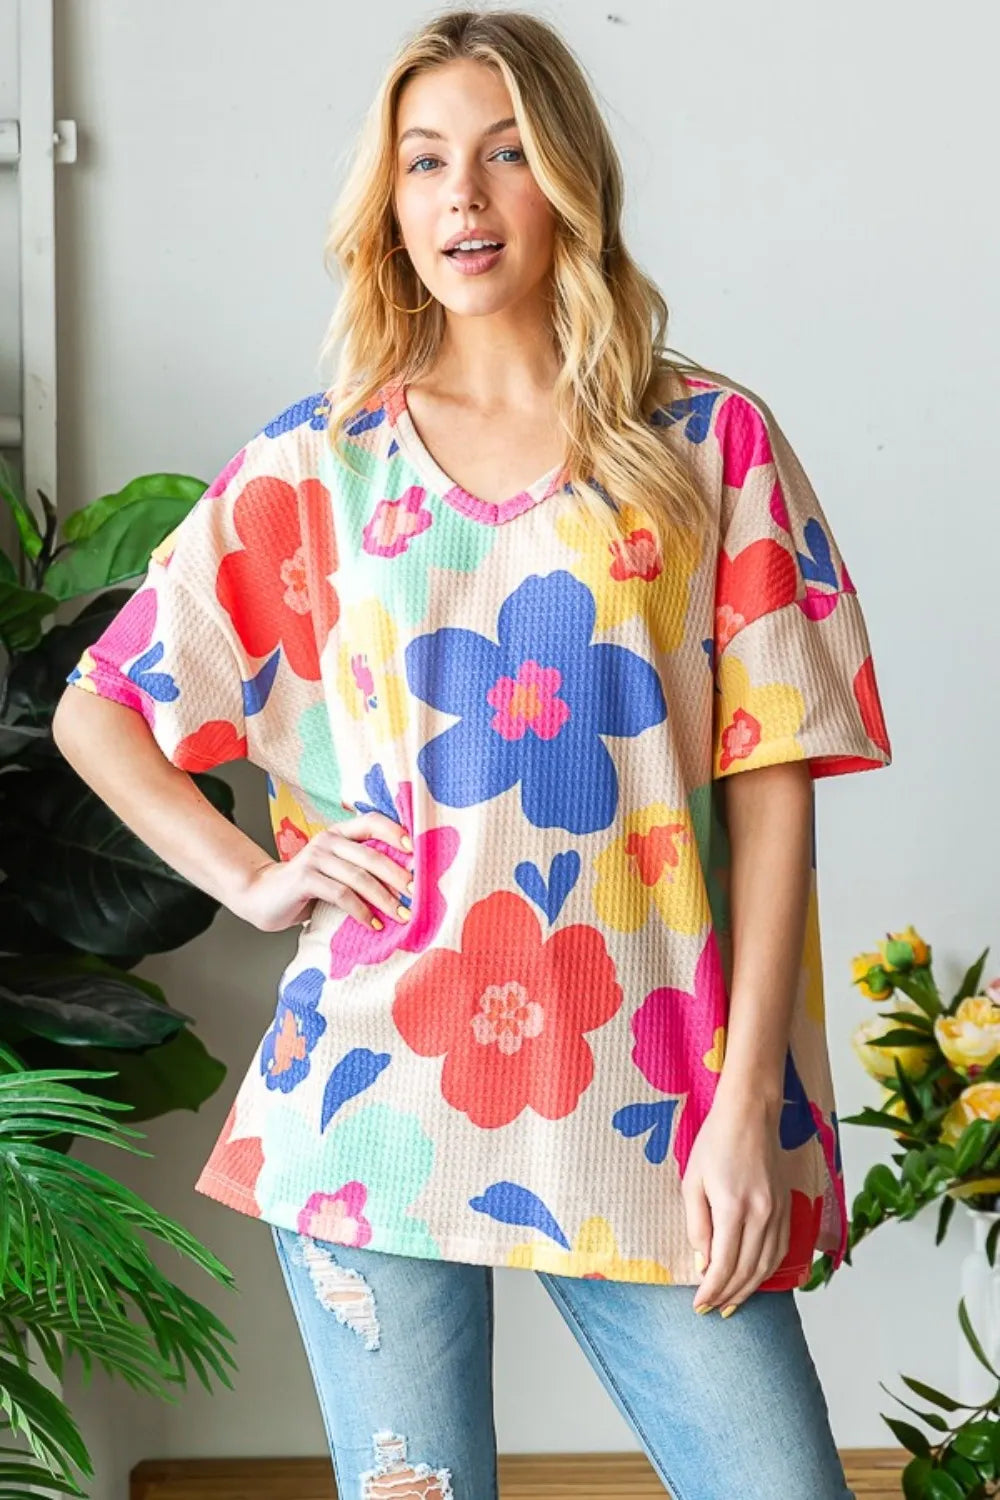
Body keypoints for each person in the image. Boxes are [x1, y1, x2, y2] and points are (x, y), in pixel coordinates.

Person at [52, 9, 893, 1498]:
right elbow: (98, 704)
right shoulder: (322, 460)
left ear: (568, 180)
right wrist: (253, 880)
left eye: (506, 155)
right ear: (387, 200)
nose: (464, 197)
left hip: (657, 1088)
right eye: (425, 161)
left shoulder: (709, 444)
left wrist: (745, 1104)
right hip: (375, 1086)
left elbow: (774, 794)